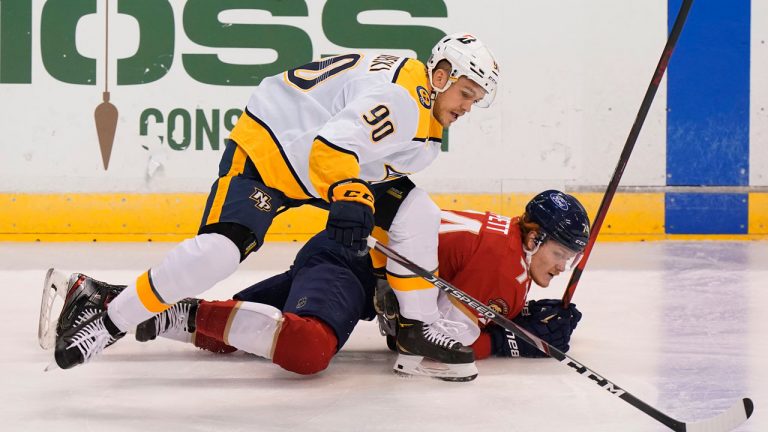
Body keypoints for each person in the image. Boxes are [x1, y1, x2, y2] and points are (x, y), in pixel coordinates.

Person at [49, 33, 501, 371]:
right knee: (219, 253)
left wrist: (376, 238)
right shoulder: (403, 102)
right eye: (465, 93)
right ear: (439, 77)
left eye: (475, 100)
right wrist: (350, 193)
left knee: (415, 211)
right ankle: (107, 320)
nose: (466, 106)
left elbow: (355, 159)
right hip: (270, 151)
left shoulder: (422, 116)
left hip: (316, 160)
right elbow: (329, 151)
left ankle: (415, 326)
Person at [42, 183, 588, 382]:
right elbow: (422, 346)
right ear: (534, 236)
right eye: (561, 252)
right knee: (305, 348)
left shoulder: (502, 238)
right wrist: (509, 338)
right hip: (350, 265)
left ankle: (103, 299)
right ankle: (137, 309)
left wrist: (504, 320)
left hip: (343, 256)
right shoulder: (507, 268)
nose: (562, 266)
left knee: (235, 324)